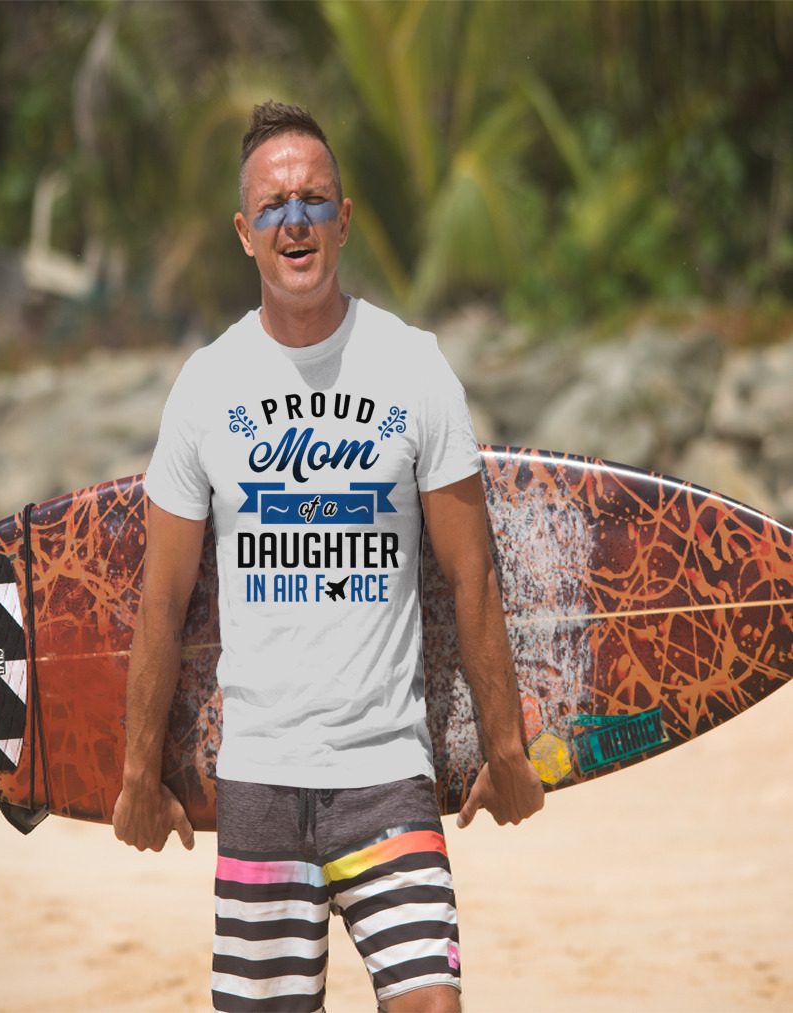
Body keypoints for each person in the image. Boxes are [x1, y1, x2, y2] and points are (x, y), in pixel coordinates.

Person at [113, 100, 544, 1013]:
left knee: (433, 1003)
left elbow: (472, 575)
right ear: (244, 232)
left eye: (314, 200)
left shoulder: (414, 368)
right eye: (273, 206)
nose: (295, 220)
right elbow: (162, 600)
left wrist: (505, 746)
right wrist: (135, 772)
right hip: (261, 779)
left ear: (344, 219)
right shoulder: (207, 387)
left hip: (388, 772)